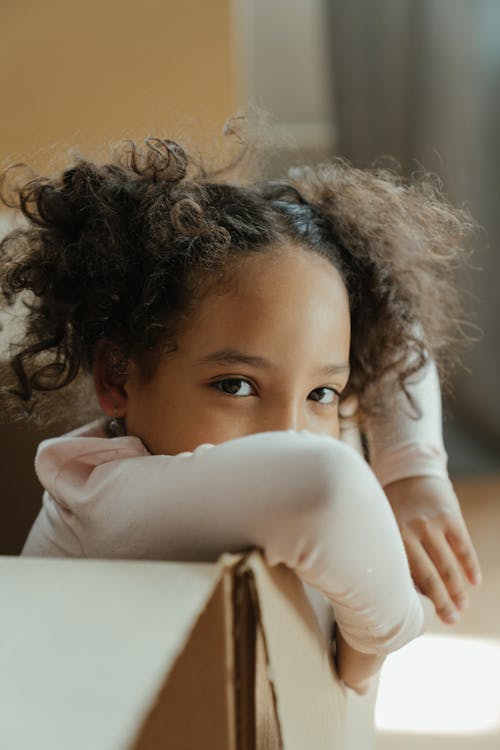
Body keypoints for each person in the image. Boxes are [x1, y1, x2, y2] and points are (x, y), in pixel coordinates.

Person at [0, 133, 482, 694]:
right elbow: (325, 486)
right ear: (117, 376)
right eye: (236, 385)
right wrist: (380, 640)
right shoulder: (103, 500)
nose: (291, 432)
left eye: (321, 395)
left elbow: (398, 332)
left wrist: (412, 469)